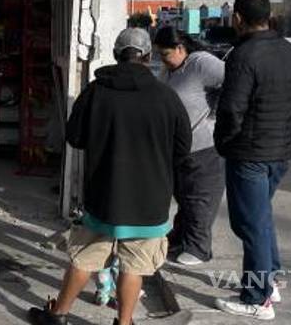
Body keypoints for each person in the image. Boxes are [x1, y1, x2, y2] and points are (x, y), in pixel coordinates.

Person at [29, 28, 191, 325]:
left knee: (85, 258)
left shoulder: (95, 92)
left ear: (117, 55)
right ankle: (125, 322)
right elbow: (183, 148)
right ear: (147, 56)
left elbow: (75, 137)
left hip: (104, 196)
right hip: (150, 201)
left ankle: (58, 315)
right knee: (135, 267)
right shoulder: (166, 96)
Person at [214, 0, 291, 320]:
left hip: (249, 152)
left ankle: (257, 298)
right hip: (280, 150)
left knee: (249, 225)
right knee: (261, 219)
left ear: (237, 18)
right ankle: (271, 279)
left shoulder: (243, 55)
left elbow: (231, 109)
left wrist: (224, 142)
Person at [153, 25, 225, 266]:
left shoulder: (201, 63)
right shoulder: (170, 70)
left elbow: (234, 83)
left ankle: (198, 247)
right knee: (183, 196)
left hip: (203, 145)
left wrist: (215, 115)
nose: (162, 60)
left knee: (200, 198)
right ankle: (181, 238)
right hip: (177, 147)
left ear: (180, 48)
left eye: (165, 54)